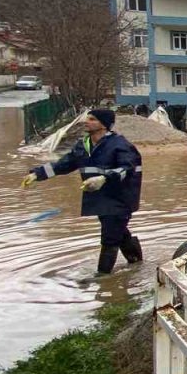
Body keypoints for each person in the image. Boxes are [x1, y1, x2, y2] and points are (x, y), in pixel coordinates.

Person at [20, 109, 143, 274]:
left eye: (92, 119)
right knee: (118, 232)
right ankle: (137, 264)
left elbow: (128, 168)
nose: (86, 121)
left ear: (104, 124)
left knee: (110, 238)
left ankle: (103, 278)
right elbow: (64, 164)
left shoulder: (120, 145)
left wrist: (104, 178)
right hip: (100, 199)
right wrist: (37, 174)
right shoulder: (83, 145)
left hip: (120, 198)